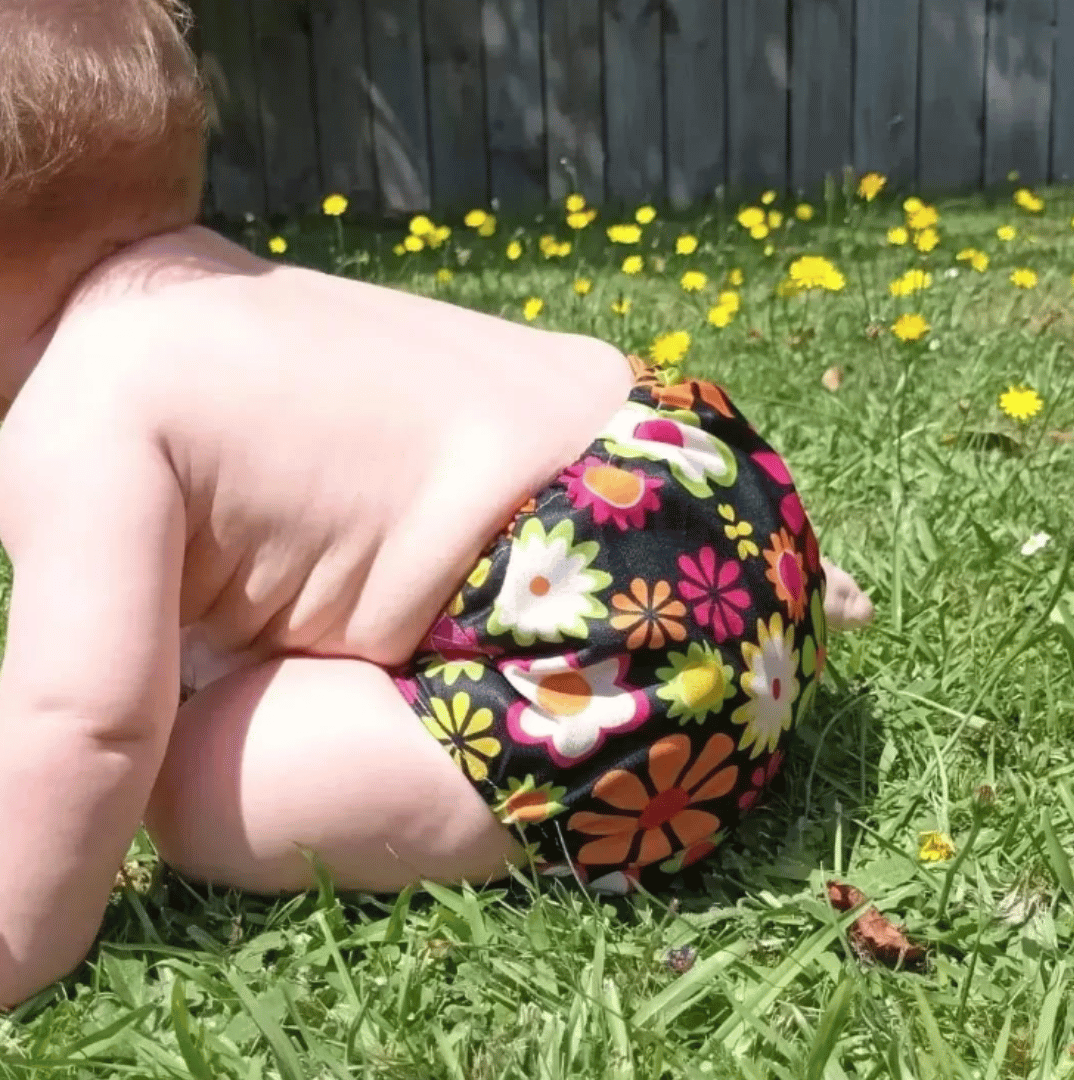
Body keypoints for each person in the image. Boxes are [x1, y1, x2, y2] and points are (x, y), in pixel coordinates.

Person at [0, 0, 873, 1008]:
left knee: (189, 780)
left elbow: (87, 725)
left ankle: (682, 691)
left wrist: (19, 941)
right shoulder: (211, 277)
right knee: (202, 655)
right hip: (700, 477)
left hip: (631, 664)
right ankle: (802, 601)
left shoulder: (72, 412)